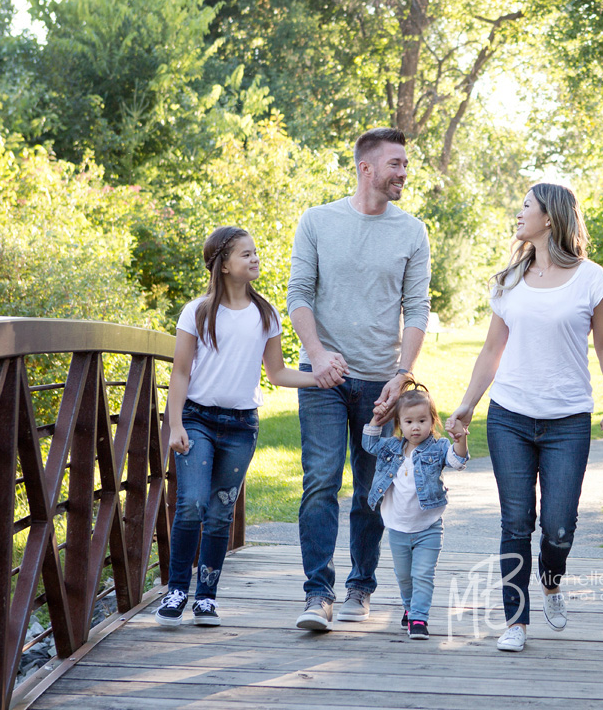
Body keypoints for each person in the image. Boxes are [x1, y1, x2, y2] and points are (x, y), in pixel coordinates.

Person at [447, 182, 603, 654]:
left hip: (567, 420)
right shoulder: (508, 280)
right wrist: (468, 403)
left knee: (560, 526)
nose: (519, 212)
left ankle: (551, 579)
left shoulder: (592, 278)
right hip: (509, 417)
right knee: (515, 521)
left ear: (549, 218)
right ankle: (516, 620)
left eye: (526, 206)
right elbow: (492, 348)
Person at [287, 127, 432, 631]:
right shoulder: (318, 220)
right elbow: (298, 295)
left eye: (405, 165)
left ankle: (360, 588)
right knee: (320, 482)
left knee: (372, 489)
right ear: (366, 167)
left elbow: (417, 308)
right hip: (323, 379)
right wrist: (318, 354)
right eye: (396, 164)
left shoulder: (412, 230)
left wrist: (403, 374)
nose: (404, 174)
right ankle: (317, 595)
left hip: (381, 382)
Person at [157, 226, 320, 627]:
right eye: (245, 254)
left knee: (218, 513)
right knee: (192, 503)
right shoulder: (196, 311)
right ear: (223, 265)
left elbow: (278, 373)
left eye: (255, 252)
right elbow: (179, 372)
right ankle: (177, 588)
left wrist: (320, 376)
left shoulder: (266, 314)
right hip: (197, 419)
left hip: (240, 426)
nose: (254, 259)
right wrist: (174, 423)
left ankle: (206, 598)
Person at [362, 383, 469, 640]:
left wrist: (461, 438)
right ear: (399, 423)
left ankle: (419, 618)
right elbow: (369, 443)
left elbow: (458, 461)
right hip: (397, 528)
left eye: (422, 420)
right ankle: (409, 609)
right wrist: (376, 420)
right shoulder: (390, 448)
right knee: (404, 577)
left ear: (432, 421)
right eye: (409, 421)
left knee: (423, 574)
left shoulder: (438, 448)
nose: (416, 427)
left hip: (429, 526)